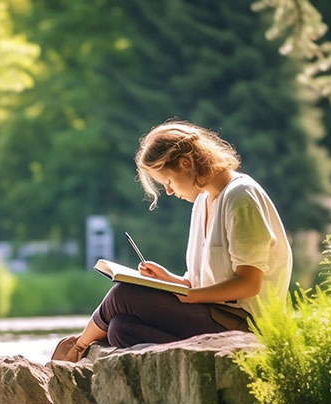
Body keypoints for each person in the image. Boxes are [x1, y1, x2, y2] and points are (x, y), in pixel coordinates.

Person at [51, 119, 292, 362]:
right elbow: (204, 283)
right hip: (214, 315)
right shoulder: (203, 201)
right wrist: (170, 280)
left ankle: (76, 348)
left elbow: (249, 284)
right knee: (120, 329)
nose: (168, 191)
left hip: (243, 326)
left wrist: (192, 296)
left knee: (123, 295)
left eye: (167, 181)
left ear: (186, 163)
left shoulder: (241, 197)